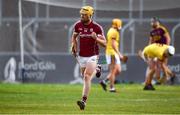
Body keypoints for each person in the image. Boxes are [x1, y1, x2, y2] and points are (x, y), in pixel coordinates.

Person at [71, 6, 106, 110]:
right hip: (81, 55)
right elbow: (74, 37)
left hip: (93, 55)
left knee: (87, 76)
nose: (82, 16)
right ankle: (97, 69)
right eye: (81, 14)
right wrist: (73, 47)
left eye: (85, 15)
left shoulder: (97, 28)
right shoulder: (78, 25)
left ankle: (84, 101)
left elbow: (105, 44)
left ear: (90, 15)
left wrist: (96, 39)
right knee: (85, 76)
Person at [99, 19, 127, 92]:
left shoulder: (111, 30)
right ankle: (112, 88)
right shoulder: (114, 32)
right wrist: (120, 54)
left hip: (112, 52)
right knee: (112, 71)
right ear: (118, 24)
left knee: (118, 70)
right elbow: (113, 44)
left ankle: (104, 82)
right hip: (112, 53)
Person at [148, 17, 174, 84]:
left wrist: (167, 47)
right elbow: (151, 41)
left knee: (161, 64)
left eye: (153, 22)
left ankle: (166, 78)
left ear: (157, 22)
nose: (152, 23)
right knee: (161, 65)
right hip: (157, 50)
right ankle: (171, 76)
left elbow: (168, 38)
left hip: (163, 49)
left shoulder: (162, 29)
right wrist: (149, 49)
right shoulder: (152, 32)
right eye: (151, 22)